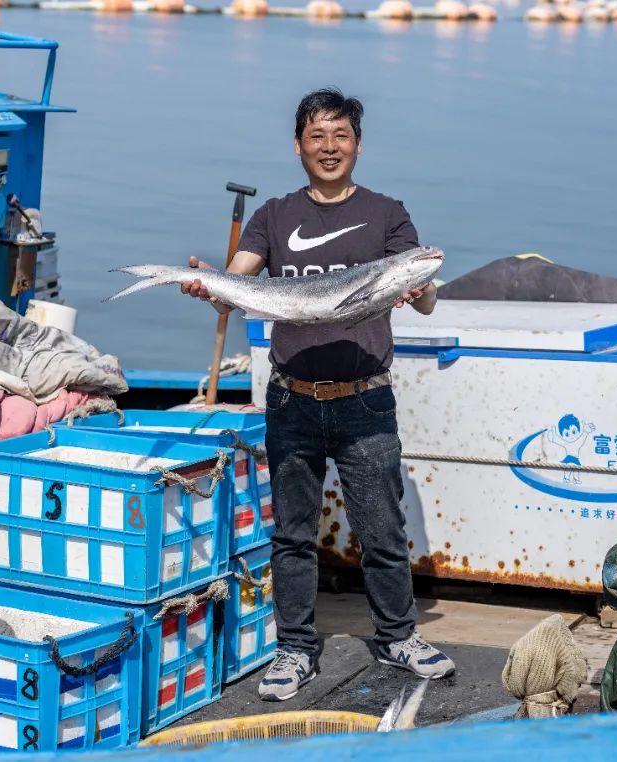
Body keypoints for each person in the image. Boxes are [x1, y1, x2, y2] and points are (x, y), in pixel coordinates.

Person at [183, 88, 455, 701]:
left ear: (357, 144)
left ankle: (398, 636)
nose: (329, 148)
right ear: (299, 146)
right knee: (294, 534)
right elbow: (238, 280)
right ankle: (295, 649)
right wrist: (209, 285)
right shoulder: (275, 216)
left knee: (383, 529)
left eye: (341, 136)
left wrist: (420, 290)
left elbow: (428, 291)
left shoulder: (388, 213)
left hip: (366, 398)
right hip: (292, 398)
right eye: (317, 136)